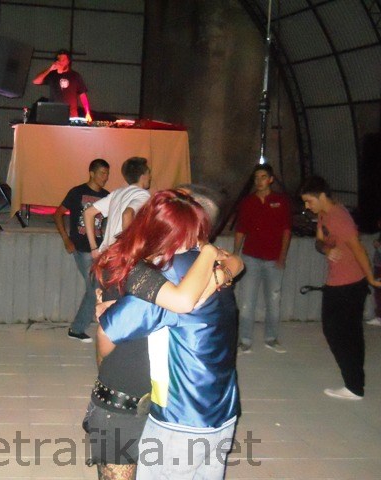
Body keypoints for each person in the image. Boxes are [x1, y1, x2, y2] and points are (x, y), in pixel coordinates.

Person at [84, 189, 242, 480]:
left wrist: (214, 271)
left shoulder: (191, 272)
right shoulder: (147, 272)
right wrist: (214, 269)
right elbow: (108, 333)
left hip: (168, 410)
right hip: (129, 402)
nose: (194, 242)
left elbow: (233, 265)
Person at [300, 176, 381, 400]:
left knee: (343, 333)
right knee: (340, 331)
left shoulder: (339, 217)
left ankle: (354, 386)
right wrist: (327, 250)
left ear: (322, 196)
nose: (307, 206)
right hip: (337, 282)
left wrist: (371, 279)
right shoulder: (324, 215)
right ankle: (354, 384)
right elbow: (319, 241)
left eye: (309, 201)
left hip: (350, 284)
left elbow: (359, 249)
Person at [234, 163, 291, 354]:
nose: (259, 181)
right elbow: (241, 230)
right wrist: (235, 255)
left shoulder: (280, 201)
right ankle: (245, 340)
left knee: (273, 301)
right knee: (246, 301)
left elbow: (286, 230)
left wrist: (282, 256)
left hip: (274, 259)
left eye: (263, 177)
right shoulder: (248, 202)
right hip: (251, 258)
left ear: (271, 179)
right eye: (256, 178)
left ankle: (271, 338)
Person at [54, 159, 110, 342]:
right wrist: (66, 238)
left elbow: (106, 222)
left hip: (99, 249)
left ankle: (81, 327)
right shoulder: (77, 192)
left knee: (97, 287)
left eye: (107, 174)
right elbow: (58, 214)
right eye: (102, 173)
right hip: (82, 248)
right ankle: (77, 329)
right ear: (92, 173)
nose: (105, 177)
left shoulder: (107, 196)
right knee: (95, 288)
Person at [84, 157, 151, 258]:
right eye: (149, 173)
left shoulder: (117, 193)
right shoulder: (143, 194)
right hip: (120, 256)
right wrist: (128, 249)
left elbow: (88, 213)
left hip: (106, 254)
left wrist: (94, 248)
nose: (150, 177)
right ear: (143, 176)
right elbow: (127, 214)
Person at [32, 49, 92, 121]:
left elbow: (83, 95)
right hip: (53, 114)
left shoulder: (75, 76)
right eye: (59, 59)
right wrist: (50, 69)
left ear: (68, 61)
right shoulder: (52, 74)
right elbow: (36, 81)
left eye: (63, 60)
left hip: (71, 115)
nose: (61, 62)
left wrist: (87, 112)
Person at [367, 220, 381, 326]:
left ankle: (380, 317)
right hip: (378, 265)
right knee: (377, 292)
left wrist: (378, 247)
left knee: (379, 291)